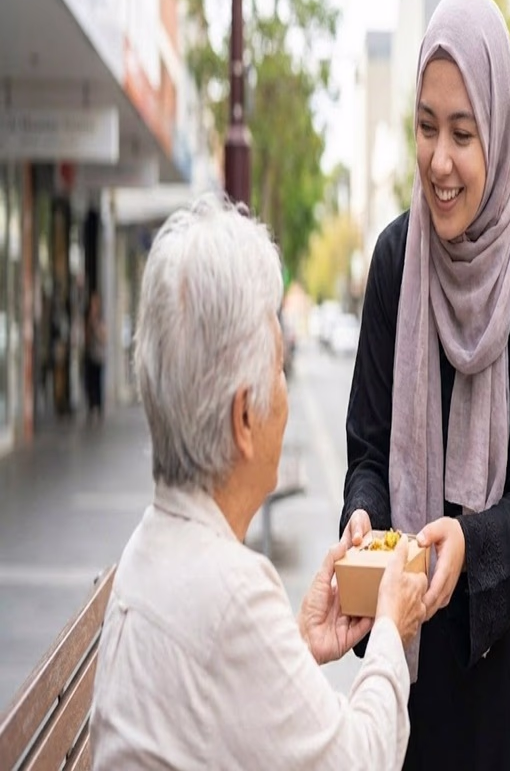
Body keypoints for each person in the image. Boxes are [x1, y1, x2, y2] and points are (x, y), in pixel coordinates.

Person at [90, 194, 428, 770]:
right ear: (245, 419)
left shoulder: (154, 544)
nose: (286, 391)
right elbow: (361, 761)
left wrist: (293, 645)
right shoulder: (231, 595)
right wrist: (393, 627)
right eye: (278, 368)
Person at [339, 0, 510, 770]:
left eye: (463, 134)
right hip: (409, 665)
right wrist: (364, 519)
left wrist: (469, 542)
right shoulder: (394, 262)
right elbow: (368, 450)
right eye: (426, 127)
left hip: (505, 664)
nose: (440, 161)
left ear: (497, 135)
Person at [84, 291, 106, 424]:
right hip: (90, 355)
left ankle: (99, 407)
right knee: (90, 382)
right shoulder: (87, 320)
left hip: (98, 357)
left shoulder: (100, 320)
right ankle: (91, 407)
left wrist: (96, 327)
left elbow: (104, 337)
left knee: (98, 383)